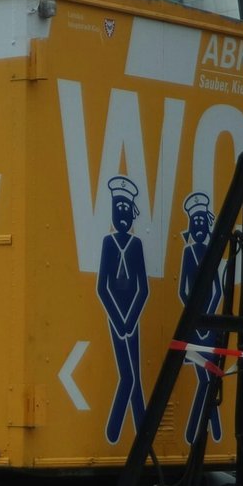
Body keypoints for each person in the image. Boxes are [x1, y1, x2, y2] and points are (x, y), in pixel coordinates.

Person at [96, 175, 148, 444]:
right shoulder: (108, 243)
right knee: (129, 375)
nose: (123, 214)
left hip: (132, 316)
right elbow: (102, 287)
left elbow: (144, 288)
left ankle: (136, 432)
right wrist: (118, 321)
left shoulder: (136, 245)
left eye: (127, 209)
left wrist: (131, 319)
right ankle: (120, 430)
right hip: (116, 316)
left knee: (134, 374)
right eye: (119, 209)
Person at [178, 191, 224, 443]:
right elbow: (183, 290)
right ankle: (207, 432)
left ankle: (199, 433)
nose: (197, 226)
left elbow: (217, 289)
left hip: (207, 325)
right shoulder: (188, 253)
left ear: (207, 225)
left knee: (208, 378)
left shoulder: (210, 252)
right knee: (207, 378)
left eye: (201, 222)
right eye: (193, 221)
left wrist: (207, 318)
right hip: (196, 327)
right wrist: (195, 318)